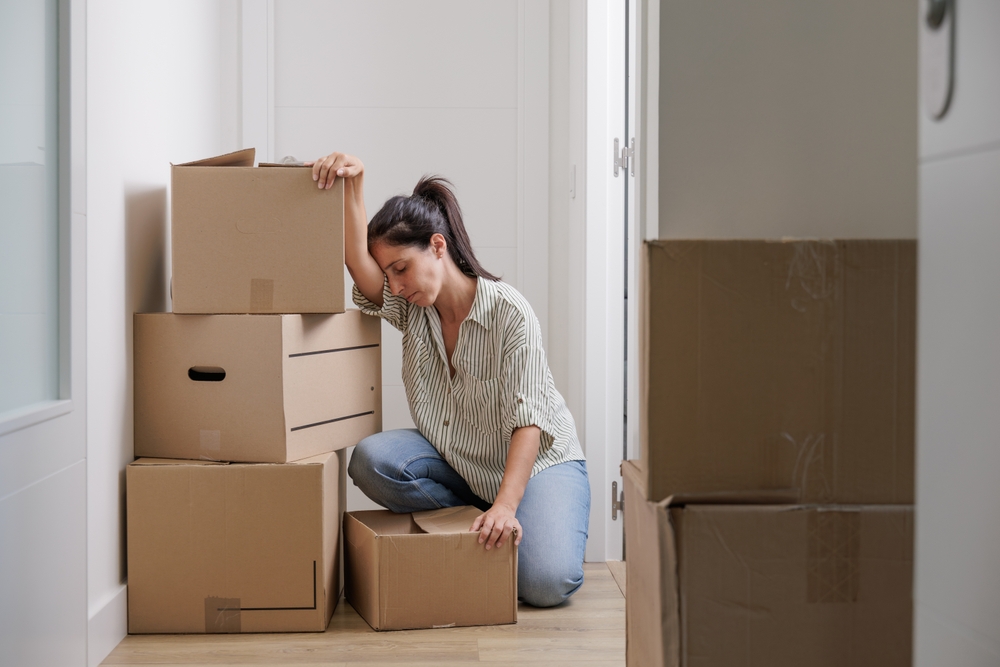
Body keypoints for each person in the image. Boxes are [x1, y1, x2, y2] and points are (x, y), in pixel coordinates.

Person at [308, 152, 590, 608]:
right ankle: (477, 519)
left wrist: (506, 505)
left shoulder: (508, 312)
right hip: (462, 464)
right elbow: (358, 261)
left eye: (400, 268)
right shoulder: (412, 308)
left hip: (538, 463)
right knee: (370, 460)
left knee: (544, 584)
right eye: (388, 275)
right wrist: (354, 185)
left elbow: (530, 424)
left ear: (438, 246)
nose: (394, 286)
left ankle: (500, 514)